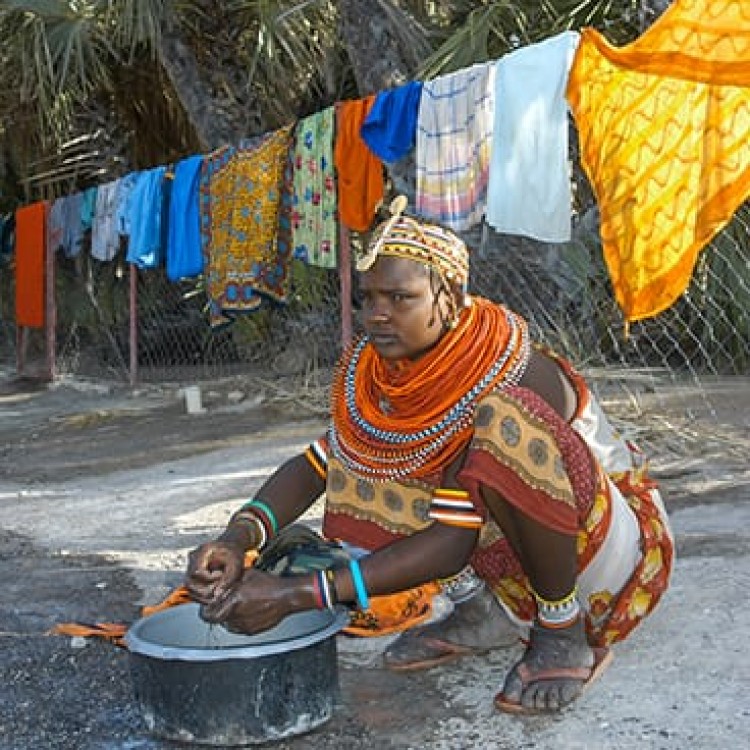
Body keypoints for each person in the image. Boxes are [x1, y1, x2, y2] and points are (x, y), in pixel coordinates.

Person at [185, 197, 674, 714]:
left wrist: (296, 594)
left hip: (608, 561)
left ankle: (561, 633)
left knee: (503, 425)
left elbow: (451, 539)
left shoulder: (518, 372)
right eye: (368, 298)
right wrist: (237, 539)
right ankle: (480, 612)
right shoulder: (381, 371)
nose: (377, 314)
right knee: (373, 452)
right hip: (510, 576)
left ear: (452, 298)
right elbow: (320, 465)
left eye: (401, 297)